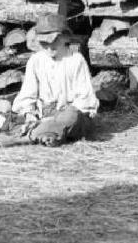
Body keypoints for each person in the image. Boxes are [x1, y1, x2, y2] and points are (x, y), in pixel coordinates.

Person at [12, 14, 99, 147]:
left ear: (64, 37)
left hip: (68, 115)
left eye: (54, 41)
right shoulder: (36, 60)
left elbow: (85, 99)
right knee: (6, 115)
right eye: (44, 43)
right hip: (43, 114)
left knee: (72, 116)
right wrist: (30, 113)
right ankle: (47, 133)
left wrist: (58, 117)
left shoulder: (76, 60)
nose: (49, 47)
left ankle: (35, 134)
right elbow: (28, 93)